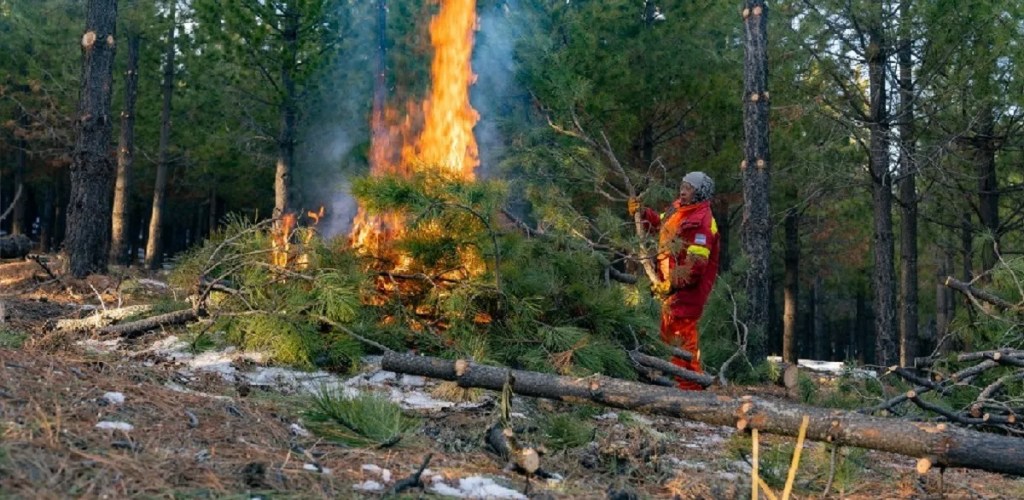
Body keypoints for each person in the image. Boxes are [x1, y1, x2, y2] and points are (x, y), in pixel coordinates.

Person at [628, 172, 720, 390]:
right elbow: (660, 224)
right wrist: (642, 213)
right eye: (683, 186)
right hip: (669, 289)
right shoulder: (678, 208)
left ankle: (689, 389)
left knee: (683, 341)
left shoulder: (703, 222)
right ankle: (670, 384)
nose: (682, 191)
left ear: (700, 193)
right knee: (667, 338)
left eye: (689, 189)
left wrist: (672, 285)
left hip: (687, 293)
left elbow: (695, 267)